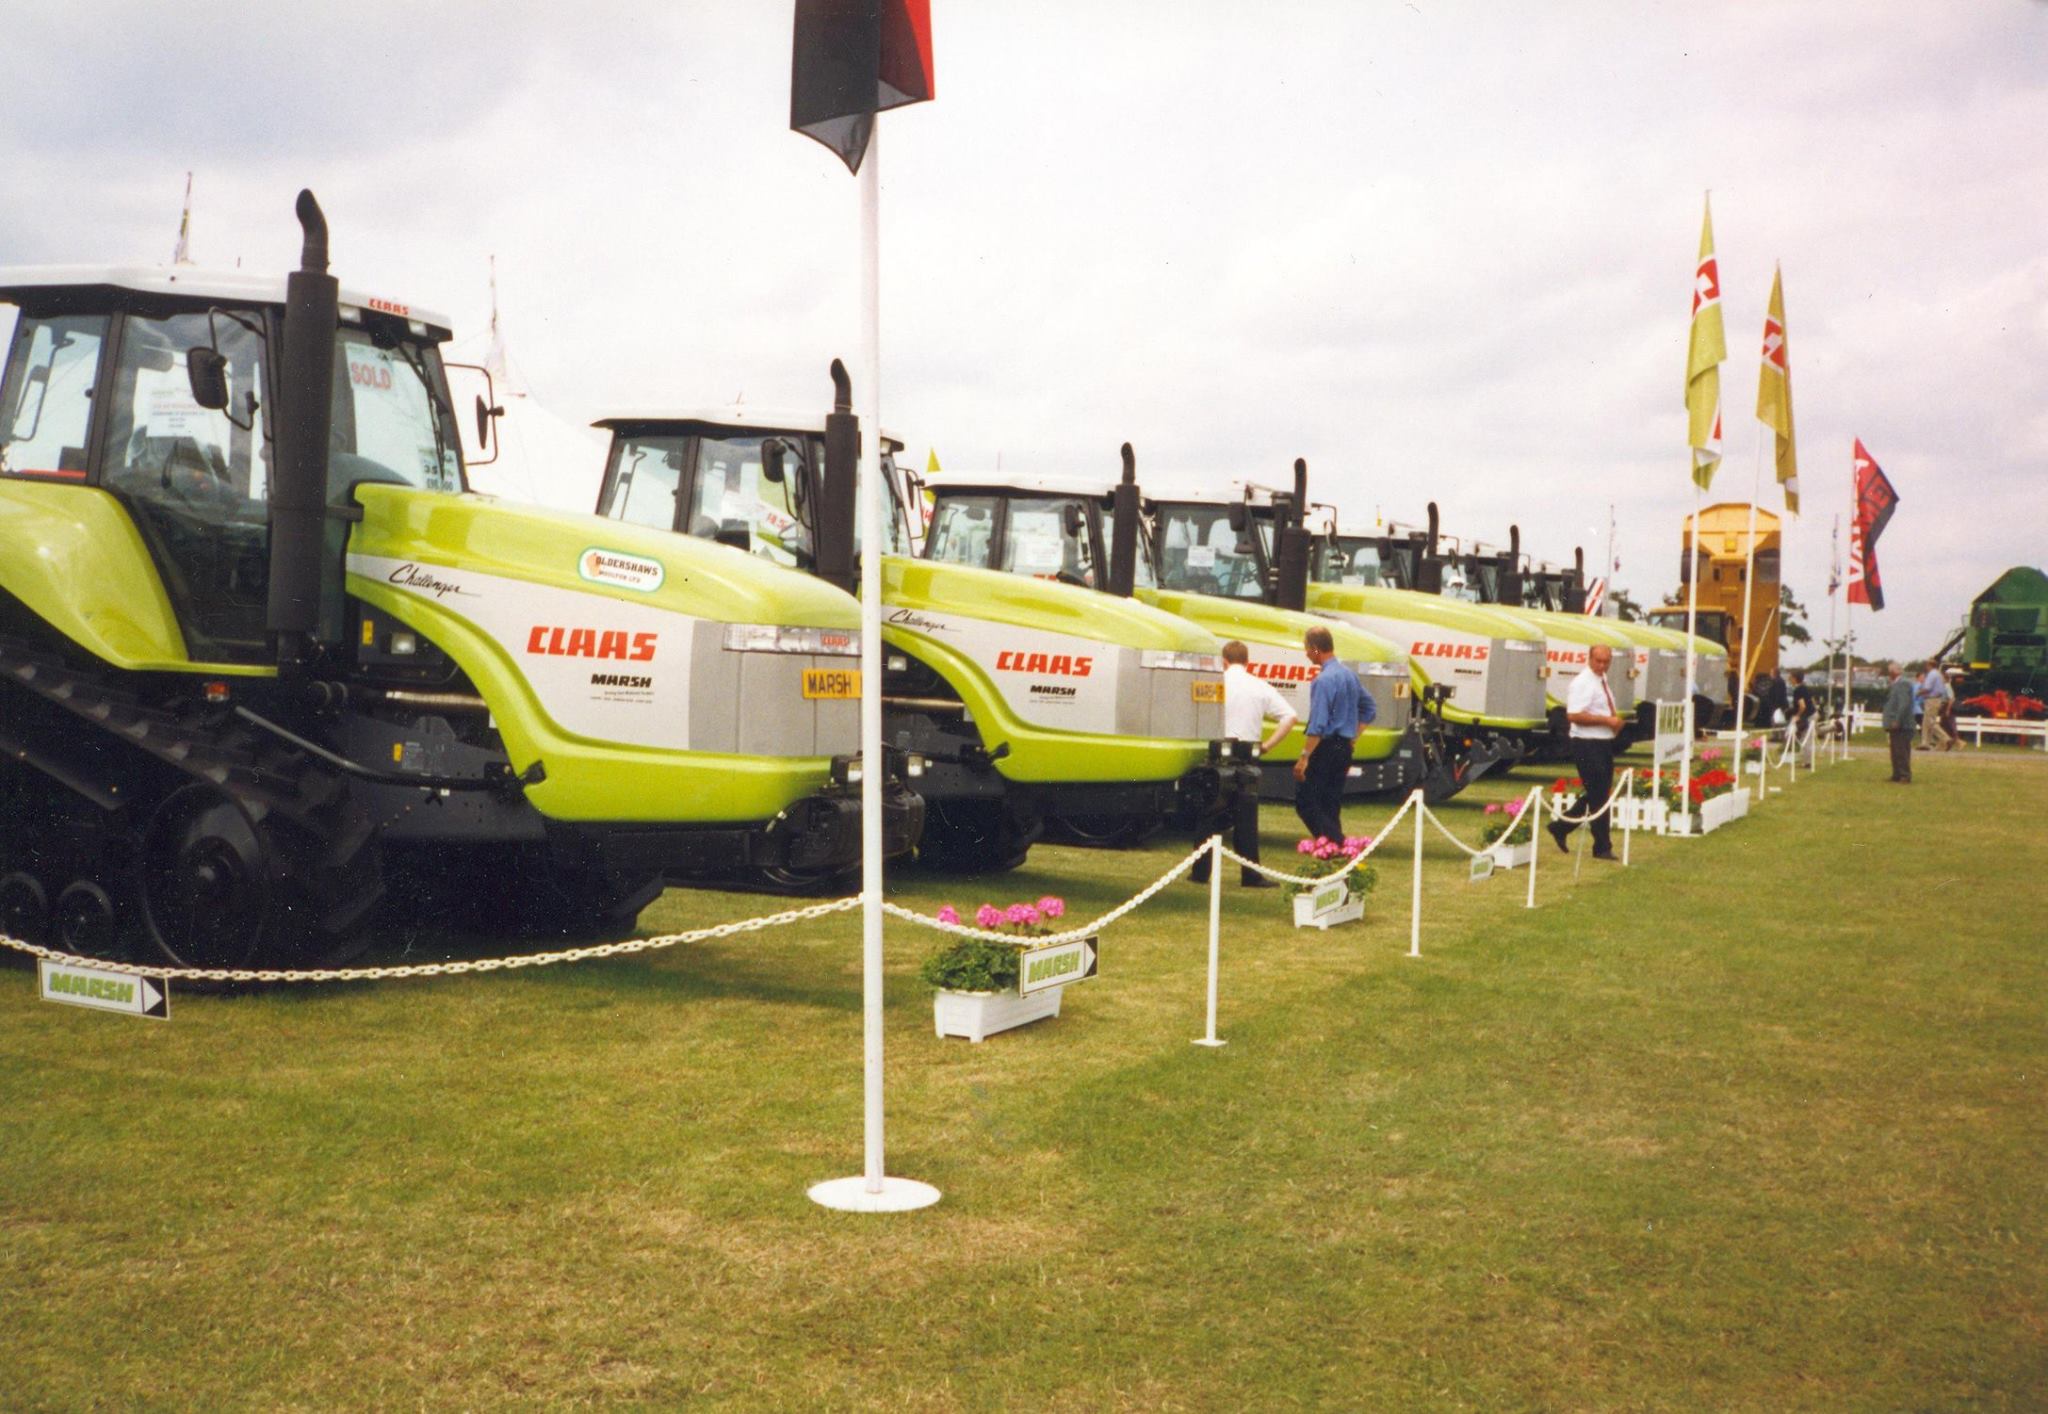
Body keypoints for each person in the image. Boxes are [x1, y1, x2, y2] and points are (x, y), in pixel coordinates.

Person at [1190, 641, 1296, 889]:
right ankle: (1251, 875)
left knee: (1208, 813)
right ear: (1247, 662)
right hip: (1247, 754)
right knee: (1246, 817)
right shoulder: (1259, 686)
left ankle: (1200, 872)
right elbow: (1290, 717)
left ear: (1224, 661)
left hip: (1217, 752)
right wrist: (1268, 745)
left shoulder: (1216, 683)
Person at [1292, 625, 1372, 842]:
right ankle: (1333, 859)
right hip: (1344, 747)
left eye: (1307, 648)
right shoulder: (1349, 676)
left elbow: (1318, 724)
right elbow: (1369, 708)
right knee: (1330, 803)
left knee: (1306, 802)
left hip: (1325, 748)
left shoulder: (1323, 680)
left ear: (1316, 649)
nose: (1306, 653)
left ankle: (1340, 845)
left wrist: (1304, 757)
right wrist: (1354, 735)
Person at [1549, 643, 1623, 859]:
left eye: (1606, 661)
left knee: (1598, 793)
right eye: (1598, 661)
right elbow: (1573, 715)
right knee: (1599, 795)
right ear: (1589, 659)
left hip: (1602, 742)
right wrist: (1606, 720)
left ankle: (1562, 827)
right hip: (1586, 743)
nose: (1602, 665)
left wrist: (1613, 724)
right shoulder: (1582, 683)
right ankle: (1602, 847)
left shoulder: (1601, 680)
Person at [1881, 661, 1917, 783]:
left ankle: (1905, 775)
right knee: (1895, 749)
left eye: (1889, 671)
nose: (1888, 674)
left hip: (1902, 724)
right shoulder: (1898, 684)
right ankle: (1897, 774)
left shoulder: (1903, 684)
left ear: (1894, 672)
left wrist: (1897, 719)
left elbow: (1904, 703)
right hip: (1897, 723)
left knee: (1901, 750)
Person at [1917, 660, 1954, 751]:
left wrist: (1917, 693)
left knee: (1930, 721)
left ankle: (1946, 738)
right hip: (1937, 699)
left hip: (1931, 699)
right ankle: (1925, 743)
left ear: (1929, 665)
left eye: (1926, 665)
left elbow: (1927, 688)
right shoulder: (1939, 674)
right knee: (1926, 722)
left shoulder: (1932, 674)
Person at [1787, 668, 1816, 764]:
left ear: (1795, 679)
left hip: (1807, 716)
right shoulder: (1805, 687)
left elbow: (1802, 706)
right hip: (1812, 714)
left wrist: (1797, 716)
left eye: (1790, 677)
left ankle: (1807, 762)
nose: (1789, 679)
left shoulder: (1798, 691)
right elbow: (1812, 701)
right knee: (1809, 736)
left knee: (1806, 739)